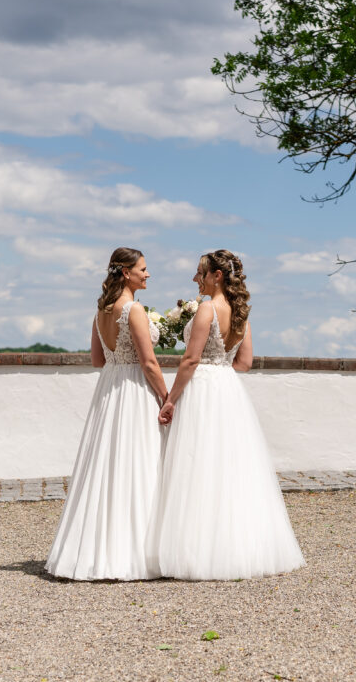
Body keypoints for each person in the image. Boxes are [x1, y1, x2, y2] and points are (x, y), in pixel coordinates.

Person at [151, 249, 305, 580]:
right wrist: (221, 371)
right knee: (229, 469)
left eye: (200, 273)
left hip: (202, 387)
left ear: (216, 276)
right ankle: (237, 550)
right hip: (228, 390)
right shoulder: (240, 312)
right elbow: (244, 363)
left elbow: (190, 360)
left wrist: (170, 399)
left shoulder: (206, 309)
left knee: (196, 465)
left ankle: (196, 551)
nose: (195, 279)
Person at [45, 248, 169, 580]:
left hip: (110, 388)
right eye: (143, 269)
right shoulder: (134, 310)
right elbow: (149, 362)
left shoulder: (101, 310)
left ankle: (94, 550)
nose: (148, 274)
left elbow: (98, 360)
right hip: (134, 389)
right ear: (126, 273)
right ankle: (136, 554)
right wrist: (167, 397)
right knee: (137, 463)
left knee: (107, 465)